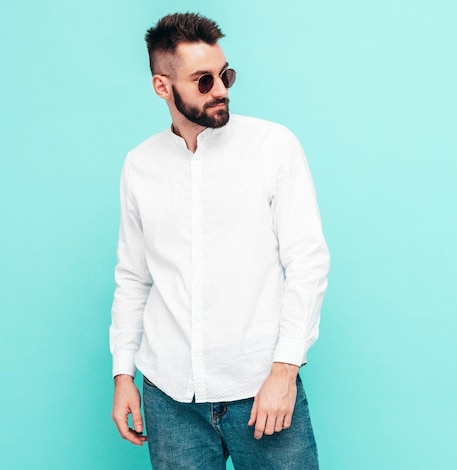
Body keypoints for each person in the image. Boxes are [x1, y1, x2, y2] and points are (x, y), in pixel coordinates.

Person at [109, 12, 330, 469]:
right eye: (203, 81)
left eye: (225, 75)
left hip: (261, 390)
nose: (222, 89)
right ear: (162, 87)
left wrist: (285, 371)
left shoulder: (273, 147)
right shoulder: (139, 165)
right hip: (169, 398)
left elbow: (307, 262)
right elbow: (133, 277)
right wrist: (123, 374)